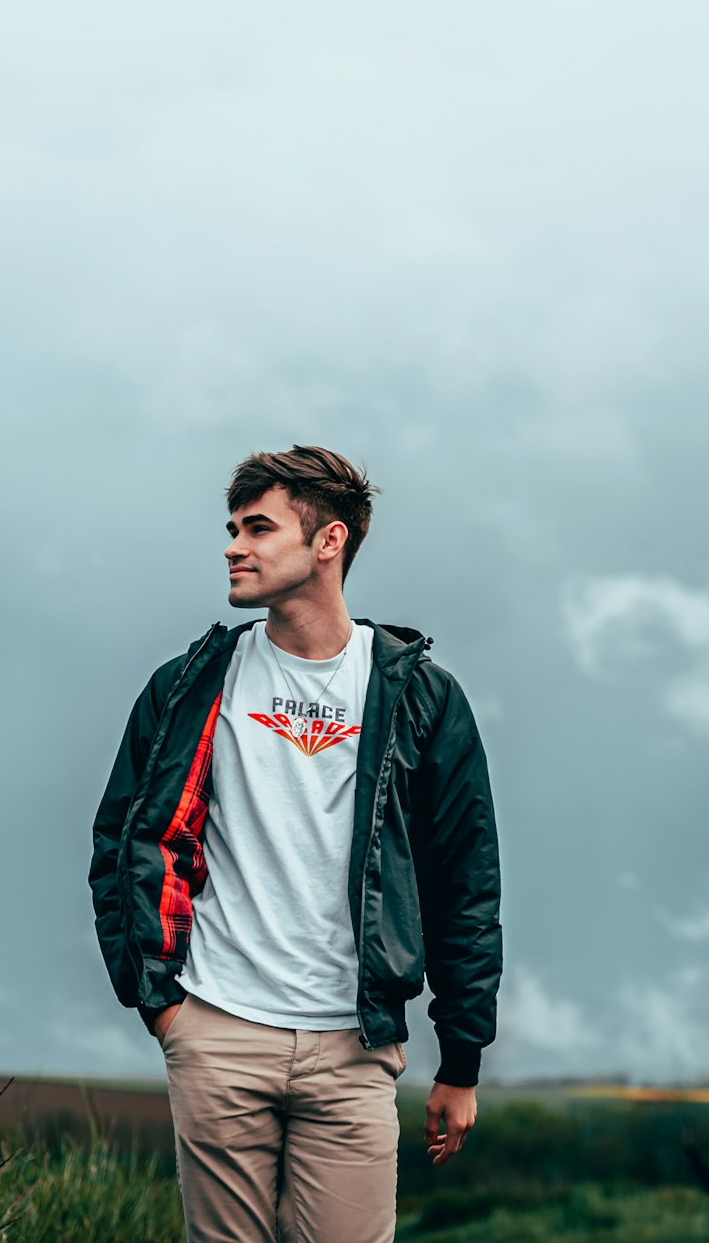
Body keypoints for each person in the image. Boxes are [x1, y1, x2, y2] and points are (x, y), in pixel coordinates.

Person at [89, 445, 502, 1243]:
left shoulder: (418, 695)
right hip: (216, 1028)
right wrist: (162, 1005)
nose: (232, 546)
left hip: (354, 1042)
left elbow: (465, 881)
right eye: (232, 528)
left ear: (328, 542)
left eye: (257, 528)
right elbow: (122, 843)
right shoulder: (189, 685)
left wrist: (461, 1058)